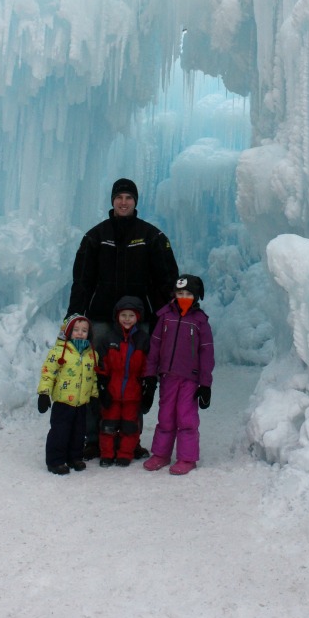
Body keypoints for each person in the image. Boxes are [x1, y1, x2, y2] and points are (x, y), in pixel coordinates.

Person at [66, 177, 179, 458]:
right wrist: (75, 314)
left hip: (139, 320)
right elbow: (82, 280)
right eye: (120, 197)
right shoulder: (96, 237)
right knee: (98, 378)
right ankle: (94, 438)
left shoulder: (151, 237)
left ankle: (130, 438)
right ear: (112, 201)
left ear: (136, 202)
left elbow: (167, 279)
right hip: (102, 320)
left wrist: (168, 315)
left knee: (135, 377)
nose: (124, 202)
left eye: (129, 197)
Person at [141, 274, 214, 476]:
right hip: (167, 377)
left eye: (188, 294)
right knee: (165, 416)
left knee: (186, 417)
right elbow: (155, 346)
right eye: (180, 293)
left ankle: (187, 457)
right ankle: (161, 454)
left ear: (196, 296)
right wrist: (149, 374)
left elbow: (207, 353)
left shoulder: (200, 321)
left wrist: (205, 384)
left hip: (190, 379)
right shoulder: (165, 317)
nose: (183, 297)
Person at [37, 314, 98, 475]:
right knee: (60, 432)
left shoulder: (91, 354)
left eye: (84, 330)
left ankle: (75, 457)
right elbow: (48, 372)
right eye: (76, 330)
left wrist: (94, 396)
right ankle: (55, 461)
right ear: (69, 332)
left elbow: (93, 377)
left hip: (81, 402)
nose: (80, 333)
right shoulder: (58, 352)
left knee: (79, 432)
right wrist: (44, 393)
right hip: (63, 402)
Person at [96, 295, 150, 466]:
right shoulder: (109, 338)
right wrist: (102, 386)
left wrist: (148, 388)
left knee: (130, 426)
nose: (127, 319)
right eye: (123, 315)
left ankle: (125, 454)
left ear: (138, 317)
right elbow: (102, 365)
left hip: (132, 394)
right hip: (112, 392)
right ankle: (107, 454)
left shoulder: (142, 340)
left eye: (131, 315)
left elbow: (147, 367)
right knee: (108, 426)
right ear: (117, 316)